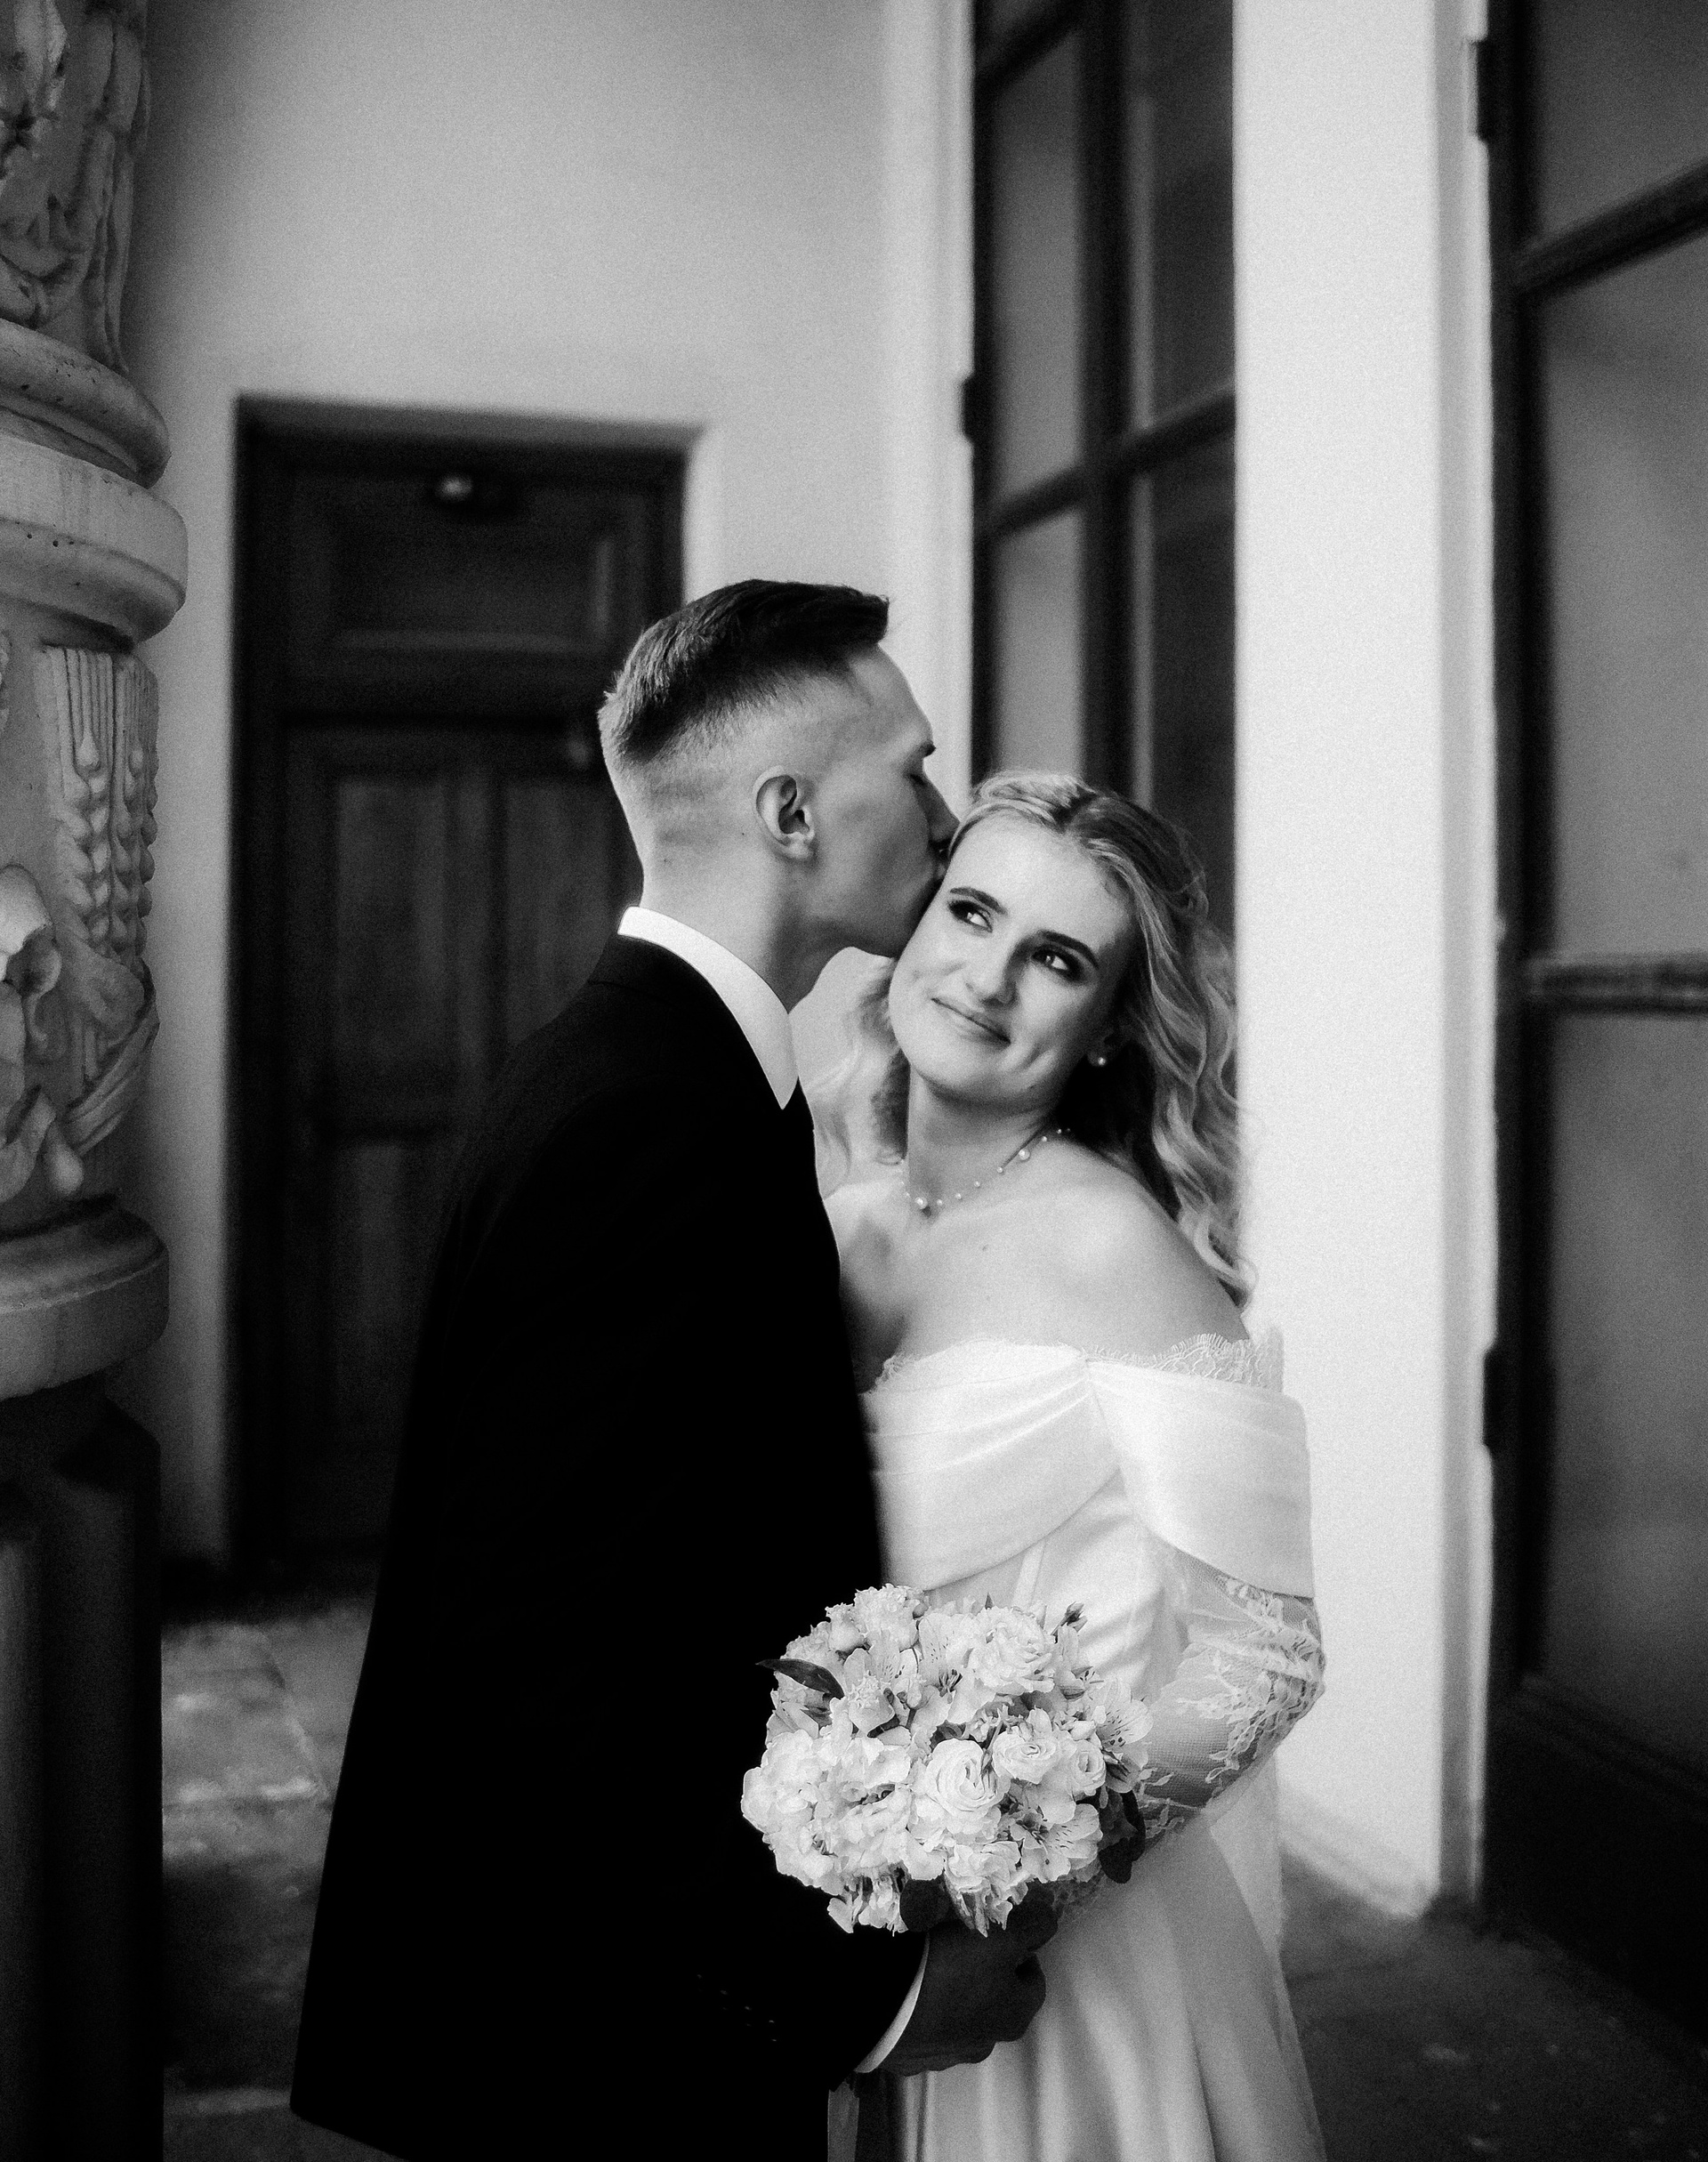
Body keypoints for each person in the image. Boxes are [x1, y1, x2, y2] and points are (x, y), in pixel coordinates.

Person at [291, 582, 1059, 2161]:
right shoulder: (644, 1117)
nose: (943, 813)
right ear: (791, 814)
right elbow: (542, 1655)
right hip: (599, 2044)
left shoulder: (673, 1072)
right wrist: (861, 1997)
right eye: (910, 767)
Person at [827, 771, 1328, 2162]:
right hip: (850, 1933)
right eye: (970, 913)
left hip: (1070, 1962)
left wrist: (1023, 1854)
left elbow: (1268, 1651)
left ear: (1107, 1024)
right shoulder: (839, 1226)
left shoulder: (1118, 1251)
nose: (987, 977)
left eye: (1056, 960)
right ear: (914, 926)